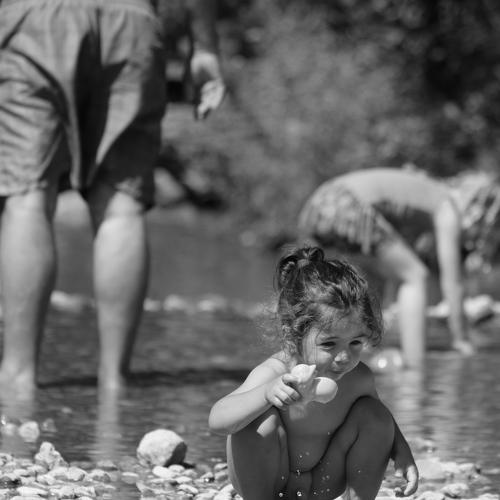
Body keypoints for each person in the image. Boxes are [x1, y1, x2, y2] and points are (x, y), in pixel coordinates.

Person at [0, 0, 225, 392]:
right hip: (130, 19)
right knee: (121, 209)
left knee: (28, 199)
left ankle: (17, 377)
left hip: (34, 17)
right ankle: (113, 381)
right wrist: (204, 47)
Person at [209, 246, 419, 500]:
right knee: (256, 419)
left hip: (324, 481)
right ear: (292, 335)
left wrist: (401, 451)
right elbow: (218, 421)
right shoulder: (274, 373)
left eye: (355, 343)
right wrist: (265, 394)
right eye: (329, 344)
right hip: (271, 481)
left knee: (375, 414)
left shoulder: (358, 378)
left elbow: (384, 424)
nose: (344, 357)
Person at [298, 167, 500, 368]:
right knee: (416, 276)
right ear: (479, 209)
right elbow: (453, 283)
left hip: (317, 204)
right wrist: (461, 340)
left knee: (346, 286)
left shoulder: (422, 200)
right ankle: (414, 367)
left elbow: (393, 277)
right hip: (346, 203)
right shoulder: (448, 206)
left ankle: (339, 354)